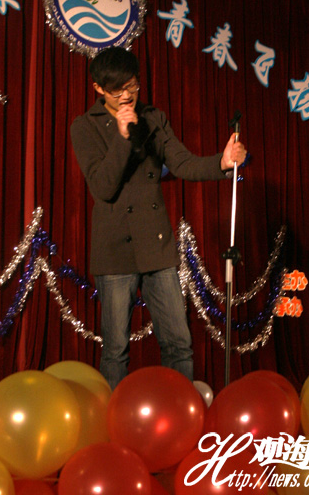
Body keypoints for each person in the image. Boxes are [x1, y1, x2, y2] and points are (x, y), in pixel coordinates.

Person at [70, 46, 247, 390]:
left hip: (157, 245)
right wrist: (122, 136)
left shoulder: (153, 118)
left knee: (179, 343)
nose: (127, 96)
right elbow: (103, 187)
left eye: (132, 86)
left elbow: (182, 163)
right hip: (115, 250)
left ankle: (180, 413)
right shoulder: (84, 126)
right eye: (117, 90)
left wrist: (221, 163)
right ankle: (112, 418)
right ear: (98, 89)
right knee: (116, 350)